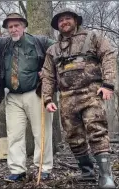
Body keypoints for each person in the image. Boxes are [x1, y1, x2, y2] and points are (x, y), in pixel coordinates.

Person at [42, 8, 117, 188]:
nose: (64, 22)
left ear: (76, 20)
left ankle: (106, 176)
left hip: (91, 93)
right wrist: (47, 98)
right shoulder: (53, 49)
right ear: (57, 25)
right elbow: (47, 75)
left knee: (96, 130)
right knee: (73, 136)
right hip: (66, 97)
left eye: (68, 18)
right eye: (60, 20)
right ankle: (87, 171)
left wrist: (108, 84)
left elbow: (108, 56)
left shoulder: (93, 38)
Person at [0, 13, 54, 182]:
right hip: (13, 96)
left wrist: (48, 70)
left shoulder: (39, 42)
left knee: (41, 133)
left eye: (17, 25)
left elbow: (59, 50)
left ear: (24, 26)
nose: (13, 29)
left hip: (36, 93)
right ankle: (17, 170)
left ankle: (43, 168)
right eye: (10, 27)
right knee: (15, 134)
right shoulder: (4, 43)